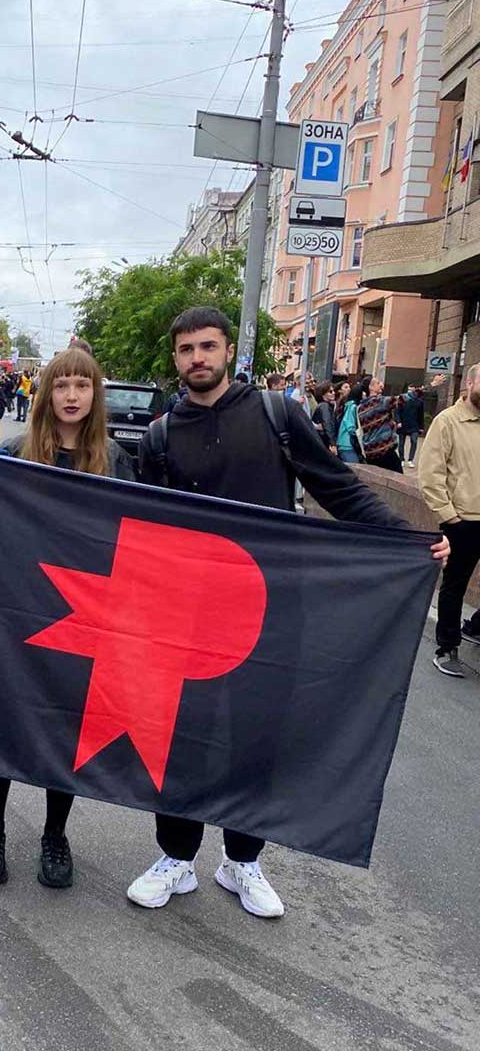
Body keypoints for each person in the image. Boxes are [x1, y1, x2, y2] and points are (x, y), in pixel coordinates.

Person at [127, 306, 448, 919]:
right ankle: (176, 857)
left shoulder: (276, 414)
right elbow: (145, 528)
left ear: (228, 352)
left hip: (271, 612)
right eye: (187, 349)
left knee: (258, 737)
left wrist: (406, 538)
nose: (198, 358)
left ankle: (242, 861)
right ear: (176, 358)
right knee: (185, 740)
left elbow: (338, 486)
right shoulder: (159, 438)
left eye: (208, 346)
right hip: (192, 618)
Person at [0, 348, 135, 891]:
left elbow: (133, 539)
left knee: (65, 723)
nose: (70, 395)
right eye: (60, 385)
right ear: (46, 393)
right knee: (7, 718)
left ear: (94, 394)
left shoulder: (112, 457)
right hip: (21, 605)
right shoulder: (16, 452)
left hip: (86, 614)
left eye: (81, 386)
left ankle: (54, 833)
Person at [418, 364, 480, 678]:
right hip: (462, 522)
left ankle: (476, 627)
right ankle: (446, 647)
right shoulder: (448, 422)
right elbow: (429, 475)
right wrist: (450, 518)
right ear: (469, 383)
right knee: (454, 587)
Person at [357, 377, 403, 473]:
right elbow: (403, 399)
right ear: (371, 387)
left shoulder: (361, 407)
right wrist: (430, 385)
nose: (381, 384)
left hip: (370, 451)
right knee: (398, 477)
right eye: (378, 383)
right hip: (383, 450)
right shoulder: (379, 402)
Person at [335, 382, 364, 463]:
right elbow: (350, 425)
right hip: (347, 444)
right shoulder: (352, 406)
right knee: (354, 468)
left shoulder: (349, 405)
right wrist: (359, 435)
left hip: (344, 443)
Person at [311, 381, 339, 453]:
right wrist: (332, 444)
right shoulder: (324, 406)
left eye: (333, 391)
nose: (333, 393)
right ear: (323, 395)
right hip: (324, 442)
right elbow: (327, 424)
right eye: (330, 391)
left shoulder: (326, 405)